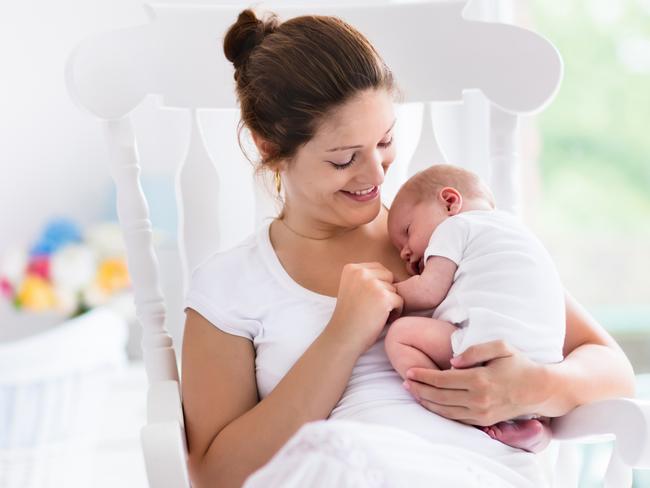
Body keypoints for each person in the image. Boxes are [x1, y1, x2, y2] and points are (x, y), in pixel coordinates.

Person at [180, 9, 635, 488]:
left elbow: (613, 372)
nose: (376, 175)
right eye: (343, 159)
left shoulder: (448, 234)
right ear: (268, 146)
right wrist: (342, 336)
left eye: (385, 141)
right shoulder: (229, 286)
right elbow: (217, 477)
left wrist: (536, 387)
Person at [384, 164, 565, 453]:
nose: (405, 252)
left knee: (400, 334)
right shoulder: (518, 232)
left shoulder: (455, 226)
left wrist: (386, 294)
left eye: (407, 232)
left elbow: (429, 291)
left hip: (485, 351)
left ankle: (443, 395)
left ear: (450, 202)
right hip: (541, 364)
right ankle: (536, 428)